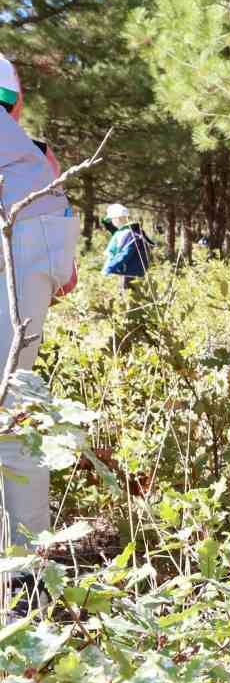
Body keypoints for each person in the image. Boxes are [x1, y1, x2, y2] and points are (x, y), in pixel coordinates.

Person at [0, 54, 78, 577]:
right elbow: (64, 277)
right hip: (14, 334)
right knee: (18, 407)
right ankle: (24, 577)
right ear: (17, 103)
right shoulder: (36, 163)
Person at [101, 204, 155, 286]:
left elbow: (124, 254)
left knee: (127, 296)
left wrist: (109, 268)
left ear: (117, 219)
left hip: (128, 273)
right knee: (137, 295)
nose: (111, 222)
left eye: (111, 219)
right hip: (139, 272)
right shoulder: (136, 231)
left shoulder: (126, 233)